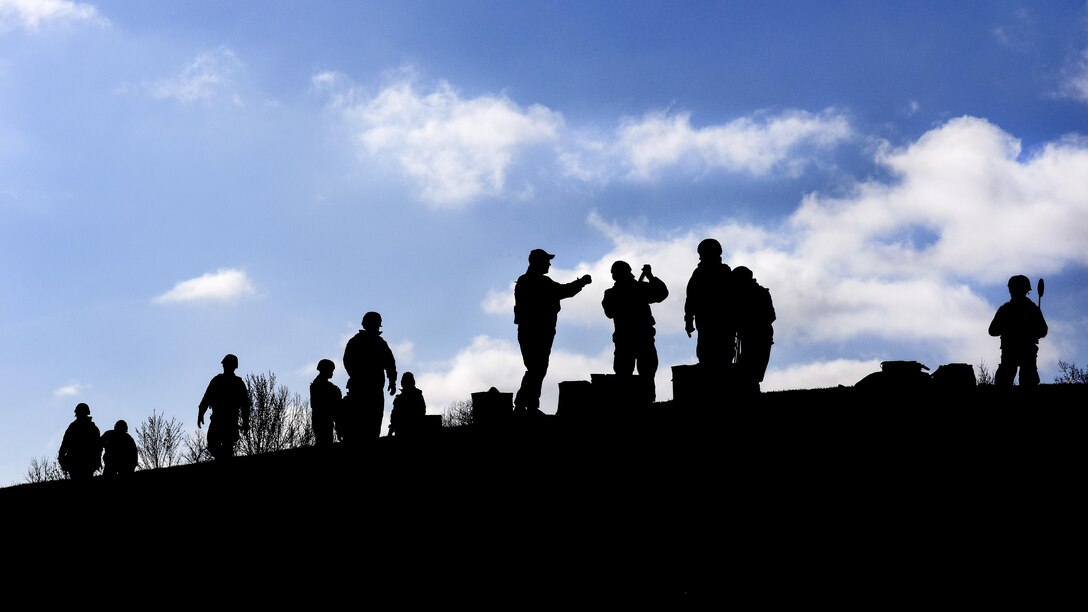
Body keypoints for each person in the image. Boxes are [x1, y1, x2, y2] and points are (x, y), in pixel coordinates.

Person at [513, 248, 592, 415]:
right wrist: (582, 282)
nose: (549, 264)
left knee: (537, 368)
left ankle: (528, 405)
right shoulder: (537, 282)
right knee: (537, 367)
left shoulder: (530, 281)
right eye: (546, 261)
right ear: (538, 262)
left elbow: (562, 291)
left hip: (537, 331)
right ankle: (524, 405)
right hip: (536, 331)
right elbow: (564, 291)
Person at [602, 260, 669, 401]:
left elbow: (662, 293)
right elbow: (610, 312)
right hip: (627, 339)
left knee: (646, 372)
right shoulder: (613, 293)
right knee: (624, 373)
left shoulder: (638, 288)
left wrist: (650, 276)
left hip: (640, 338)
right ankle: (630, 402)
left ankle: (645, 401)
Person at [683, 238, 737, 374]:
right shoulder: (722, 273)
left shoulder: (722, 273)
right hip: (712, 322)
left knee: (721, 355)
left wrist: (689, 320)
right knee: (709, 355)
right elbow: (691, 299)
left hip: (721, 321)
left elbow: (691, 299)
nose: (700, 257)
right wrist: (688, 320)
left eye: (702, 253)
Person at [342, 311, 397, 441]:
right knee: (360, 423)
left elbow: (390, 364)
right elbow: (348, 362)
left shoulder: (378, 343)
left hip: (373, 388)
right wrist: (358, 376)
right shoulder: (359, 342)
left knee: (373, 422)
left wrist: (392, 381)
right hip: (361, 388)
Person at [988, 275, 1048, 387]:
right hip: (1022, 350)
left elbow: (993, 331)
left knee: (1007, 381)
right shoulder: (1033, 309)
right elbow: (1043, 331)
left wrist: (1007, 328)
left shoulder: (1005, 309)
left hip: (1013, 350)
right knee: (1023, 381)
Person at [197, 353, 252, 460]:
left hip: (229, 423)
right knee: (214, 445)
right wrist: (201, 413)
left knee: (226, 449)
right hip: (219, 421)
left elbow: (245, 405)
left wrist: (245, 422)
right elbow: (207, 398)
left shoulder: (237, 383)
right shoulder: (218, 381)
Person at [732, 266, 776, 394]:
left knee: (752, 368)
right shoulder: (744, 294)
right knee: (748, 368)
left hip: (758, 336)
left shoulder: (758, 293)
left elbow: (770, 316)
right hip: (754, 336)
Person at [58, 402, 102, 481]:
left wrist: (97, 461)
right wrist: (61, 459)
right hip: (75, 462)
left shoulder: (91, 428)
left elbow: (97, 447)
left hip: (86, 462)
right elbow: (65, 444)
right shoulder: (75, 427)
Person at [310, 359, 343, 447]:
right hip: (323, 420)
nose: (332, 373)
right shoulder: (322, 387)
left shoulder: (321, 386)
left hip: (323, 420)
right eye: (331, 370)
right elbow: (317, 405)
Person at [389, 372, 426, 437]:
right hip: (401, 430)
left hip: (414, 429)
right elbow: (394, 416)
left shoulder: (417, 396)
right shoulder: (399, 398)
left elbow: (421, 412)